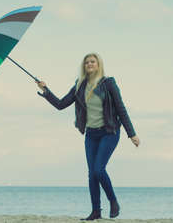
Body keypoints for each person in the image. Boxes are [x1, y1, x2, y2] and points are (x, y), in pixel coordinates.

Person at [36, 53, 140, 220]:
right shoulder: (80, 85)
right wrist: (46, 90)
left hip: (109, 132)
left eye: (93, 62)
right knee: (92, 173)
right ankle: (96, 211)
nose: (89, 64)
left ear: (98, 64)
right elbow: (61, 104)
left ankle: (113, 201)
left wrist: (132, 134)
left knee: (99, 169)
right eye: (87, 63)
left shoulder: (108, 83)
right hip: (91, 134)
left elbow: (121, 108)